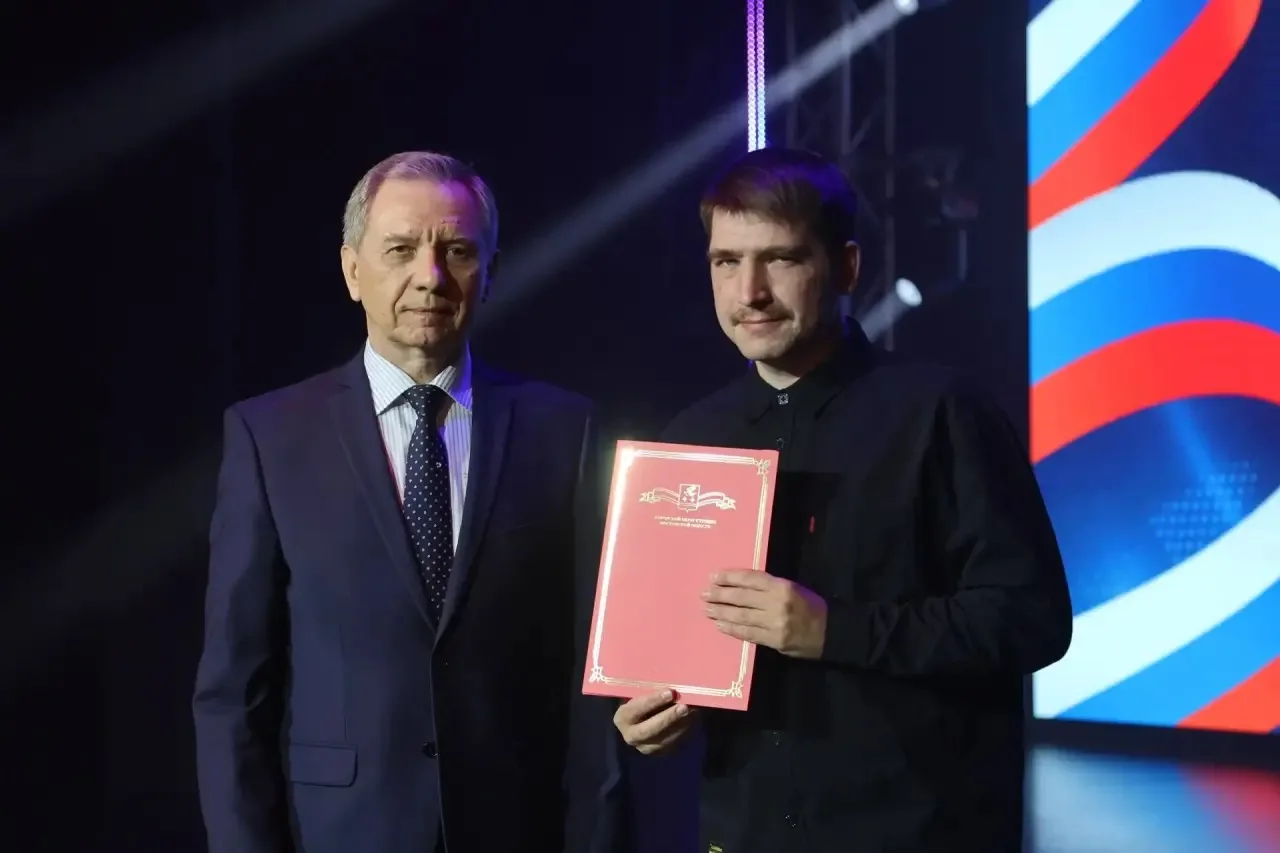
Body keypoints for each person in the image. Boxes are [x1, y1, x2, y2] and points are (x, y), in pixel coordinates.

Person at [612, 147, 1073, 852]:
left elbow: (1031, 619)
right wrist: (652, 710)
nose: (749, 292)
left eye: (781, 259)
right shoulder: (691, 438)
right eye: (726, 261)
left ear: (847, 267)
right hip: (745, 832)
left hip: (916, 833)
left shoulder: (942, 413)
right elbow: (677, 647)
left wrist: (836, 630)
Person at [193, 151, 623, 853]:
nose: (430, 276)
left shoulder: (563, 429)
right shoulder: (269, 436)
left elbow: (590, 677)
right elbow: (234, 692)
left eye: (457, 251)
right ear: (351, 270)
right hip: (339, 832)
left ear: (490, 271)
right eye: (400, 250)